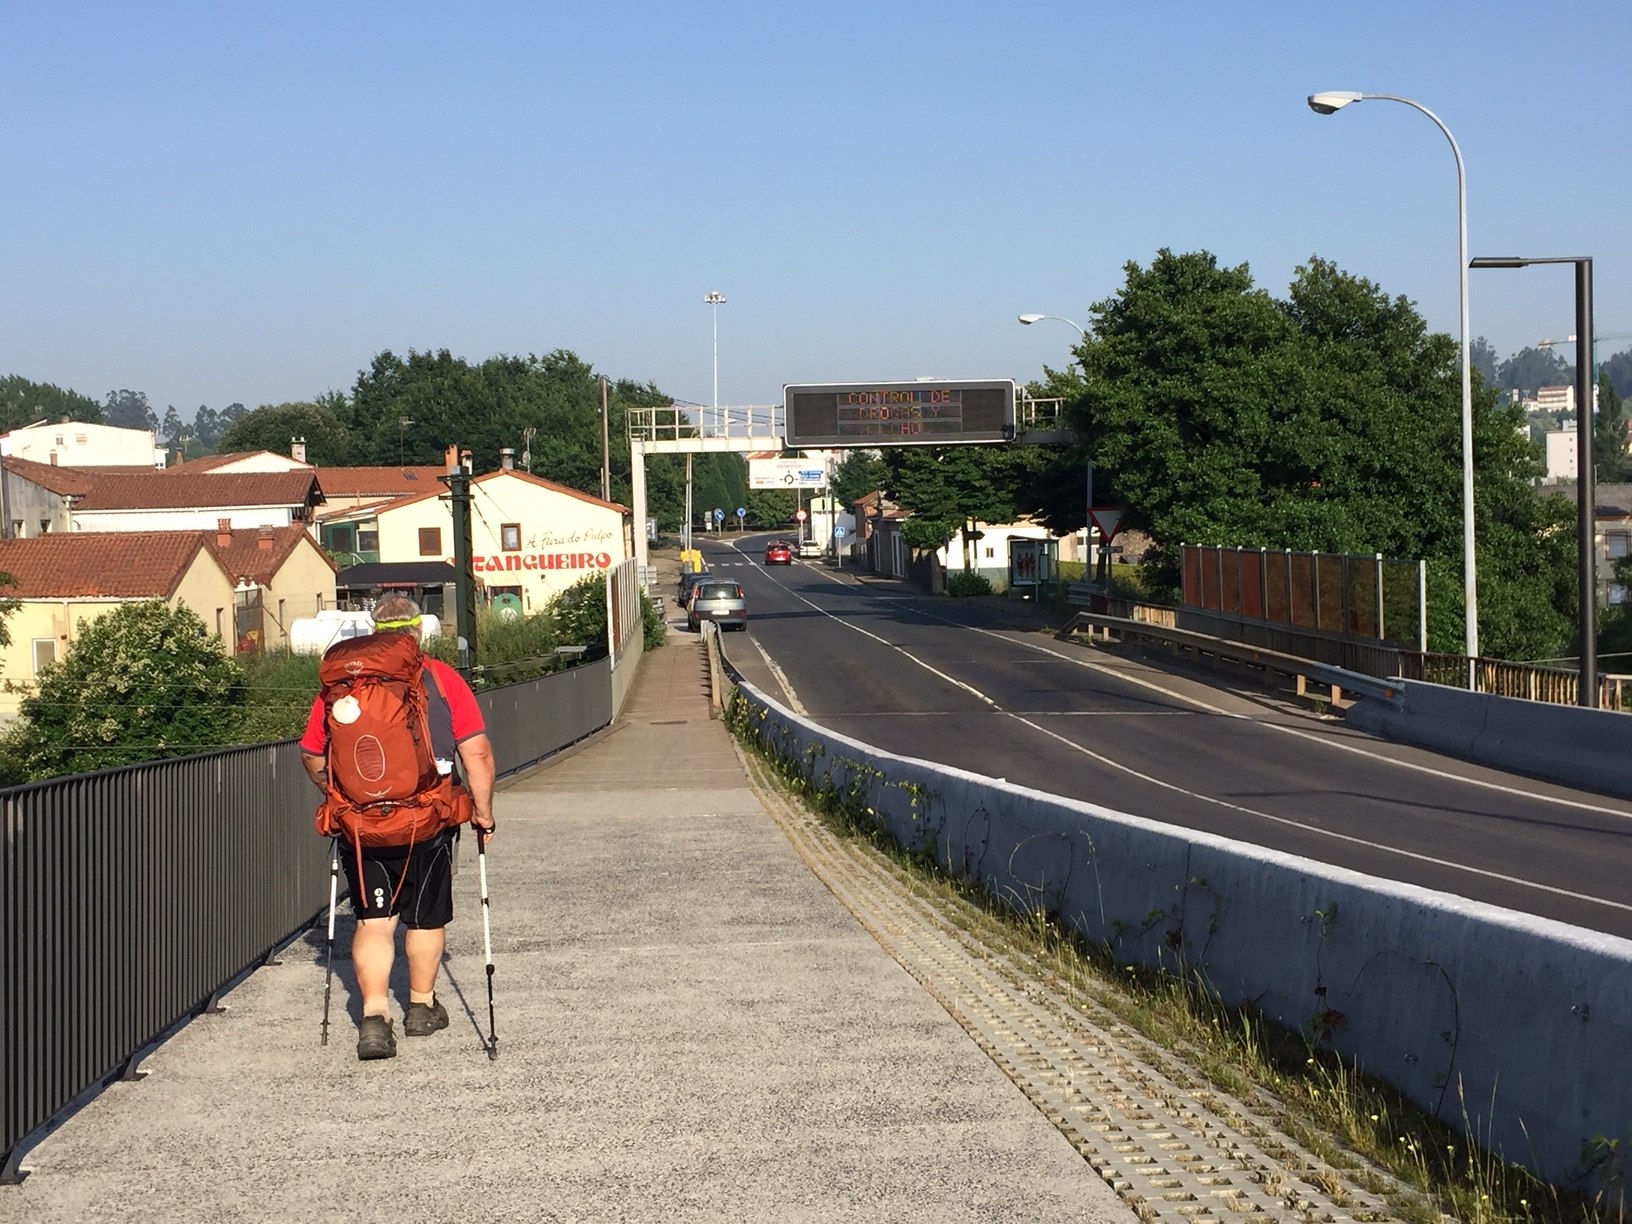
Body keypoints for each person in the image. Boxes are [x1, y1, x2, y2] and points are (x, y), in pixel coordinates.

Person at [299, 595, 496, 1061]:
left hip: (361, 827)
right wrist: (483, 812)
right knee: (424, 916)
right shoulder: (442, 679)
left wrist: (341, 794)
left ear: (373, 631)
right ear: (418, 633)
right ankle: (421, 1009)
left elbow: (312, 755)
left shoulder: (342, 685)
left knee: (372, 921)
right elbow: (478, 753)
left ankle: (372, 1017)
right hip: (427, 818)